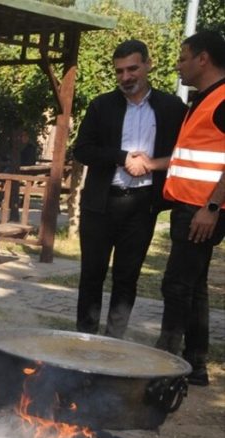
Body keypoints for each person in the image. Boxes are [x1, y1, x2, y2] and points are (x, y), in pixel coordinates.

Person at [71, 40, 187, 340]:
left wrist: (151, 165)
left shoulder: (172, 108)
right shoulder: (101, 105)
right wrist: (122, 157)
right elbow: (82, 150)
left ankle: (113, 342)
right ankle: (85, 338)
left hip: (142, 205)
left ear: (148, 65)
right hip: (100, 203)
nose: (126, 77)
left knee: (127, 277)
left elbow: (185, 152)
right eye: (120, 71)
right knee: (92, 274)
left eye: (133, 68)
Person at [154, 31, 225, 386]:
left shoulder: (223, 99)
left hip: (203, 209)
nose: (178, 65)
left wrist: (211, 207)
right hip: (191, 205)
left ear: (203, 59)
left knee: (176, 286)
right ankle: (195, 364)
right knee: (193, 286)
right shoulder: (203, 99)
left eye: (183, 57)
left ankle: (163, 363)